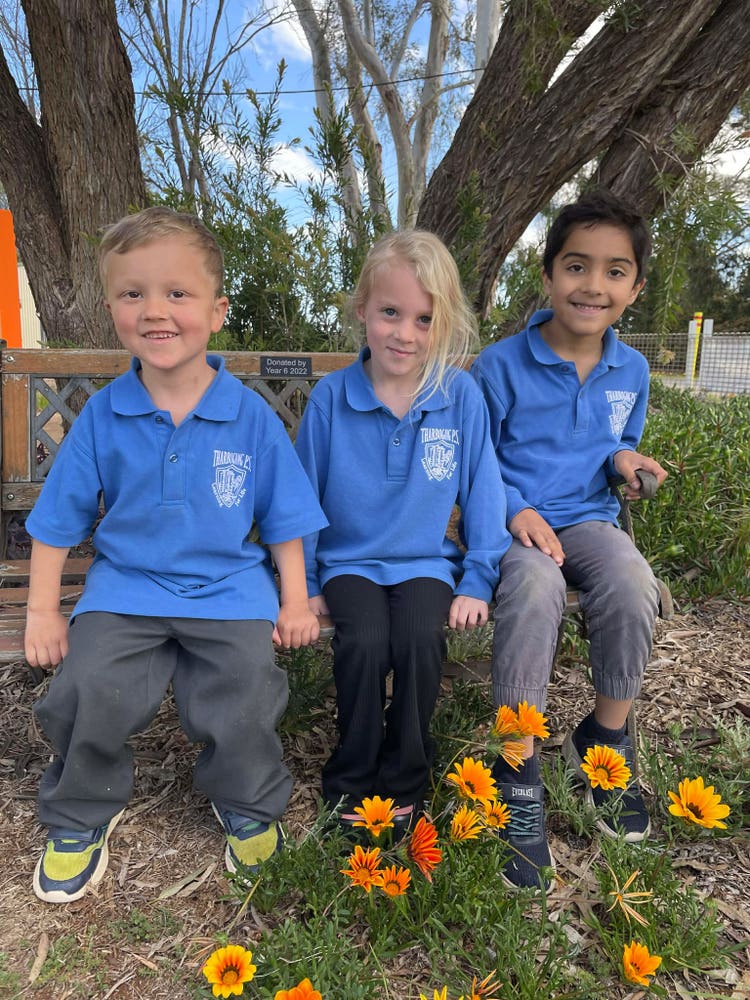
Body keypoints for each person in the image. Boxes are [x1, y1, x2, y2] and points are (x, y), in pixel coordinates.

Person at [24, 206, 327, 904]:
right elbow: (57, 521)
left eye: (177, 294)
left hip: (228, 589)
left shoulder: (248, 414)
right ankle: (79, 812)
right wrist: (45, 611)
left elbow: (284, 519)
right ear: (112, 309)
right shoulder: (104, 414)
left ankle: (246, 800)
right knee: (85, 688)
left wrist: (292, 597)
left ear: (217, 310)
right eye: (134, 294)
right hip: (125, 589)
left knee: (247, 687)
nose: (155, 311)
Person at [471, 189, 668, 891]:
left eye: (615, 271)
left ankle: (605, 741)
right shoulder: (499, 365)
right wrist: (514, 508)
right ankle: (516, 767)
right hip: (517, 523)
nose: (594, 285)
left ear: (634, 289)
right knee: (532, 588)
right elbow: (476, 459)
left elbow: (620, 441)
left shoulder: (632, 371)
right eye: (577, 267)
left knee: (632, 581)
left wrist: (625, 462)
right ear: (549, 274)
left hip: (589, 520)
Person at [295, 230, 510, 835]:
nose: (404, 334)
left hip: (426, 564)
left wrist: (478, 578)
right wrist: (306, 582)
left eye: (423, 319)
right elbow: (301, 499)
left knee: (419, 638)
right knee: (363, 642)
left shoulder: (458, 396)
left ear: (441, 325)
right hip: (349, 563)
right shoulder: (331, 398)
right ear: (363, 309)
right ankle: (352, 775)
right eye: (390, 312)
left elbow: (484, 492)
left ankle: (406, 777)